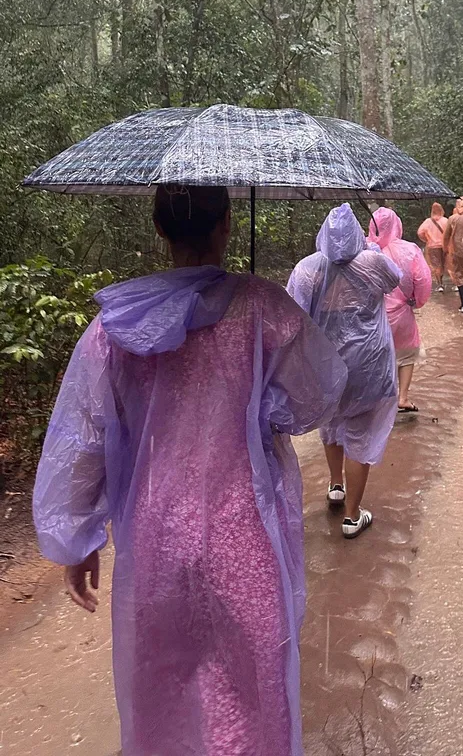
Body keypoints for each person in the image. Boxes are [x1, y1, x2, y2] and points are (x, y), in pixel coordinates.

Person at [33, 185, 347, 756]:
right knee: (255, 694)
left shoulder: (114, 327)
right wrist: (259, 404)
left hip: (155, 536)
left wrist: (77, 541)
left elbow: (84, 439)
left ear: (159, 231)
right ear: (228, 223)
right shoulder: (262, 306)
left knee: (161, 688)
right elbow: (314, 398)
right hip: (245, 533)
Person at [287, 204, 401, 539]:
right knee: (361, 435)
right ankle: (352, 515)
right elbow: (396, 280)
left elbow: (294, 314)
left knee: (333, 423)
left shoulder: (308, 269)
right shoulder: (372, 262)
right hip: (369, 364)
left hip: (327, 365)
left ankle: (336, 484)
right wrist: (376, 250)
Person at [367, 207, 431, 413]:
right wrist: (417, 301)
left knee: (376, 356)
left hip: (373, 316)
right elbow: (422, 280)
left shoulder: (363, 250)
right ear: (397, 225)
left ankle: (380, 400)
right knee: (406, 354)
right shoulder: (410, 250)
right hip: (402, 313)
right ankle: (402, 397)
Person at [417, 202, 449, 292]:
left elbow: (420, 232)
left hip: (433, 247)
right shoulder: (445, 220)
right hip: (444, 246)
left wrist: (426, 239)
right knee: (446, 263)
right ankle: (456, 284)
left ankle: (440, 284)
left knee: (436, 265)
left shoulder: (427, 222)